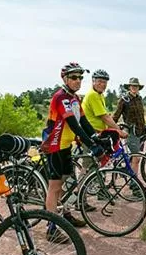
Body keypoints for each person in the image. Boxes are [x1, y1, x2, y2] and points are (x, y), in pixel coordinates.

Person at [42, 62, 104, 235]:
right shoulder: (60, 97)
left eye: (80, 77)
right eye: (74, 77)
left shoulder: (75, 98)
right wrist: (92, 145)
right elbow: (74, 125)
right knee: (54, 186)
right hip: (54, 145)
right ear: (65, 78)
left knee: (65, 183)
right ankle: (51, 227)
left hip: (66, 145)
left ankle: (64, 214)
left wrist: (96, 138)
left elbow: (84, 122)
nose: (78, 81)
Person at [113, 77, 146, 174]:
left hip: (140, 131)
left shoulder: (139, 99)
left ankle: (133, 178)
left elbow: (141, 116)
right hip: (131, 132)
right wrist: (111, 127)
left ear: (138, 88)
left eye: (136, 86)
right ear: (129, 87)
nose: (134, 87)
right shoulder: (124, 100)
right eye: (133, 86)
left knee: (135, 158)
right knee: (136, 158)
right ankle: (134, 183)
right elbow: (116, 115)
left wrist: (145, 126)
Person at [81, 69, 128, 138]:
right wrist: (119, 131)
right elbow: (105, 117)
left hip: (99, 132)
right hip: (92, 133)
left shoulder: (100, 94)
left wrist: (114, 125)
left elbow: (104, 114)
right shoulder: (93, 95)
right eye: (99, 81)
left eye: (105, 82)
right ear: (93, 81)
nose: (102, 84)